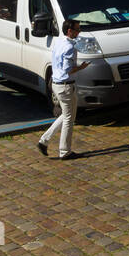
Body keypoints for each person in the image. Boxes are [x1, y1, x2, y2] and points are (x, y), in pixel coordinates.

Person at [37, 19, 88, 160]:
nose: (79, 32)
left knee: (67, 115)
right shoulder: (70, 48)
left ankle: (44, 141)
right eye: (77, 29)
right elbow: (68, 69)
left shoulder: (59, 42)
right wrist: (82, 67)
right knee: (69, 119)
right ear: (70, 31)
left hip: (57, 84)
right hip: (65, 86)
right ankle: (64, 151)